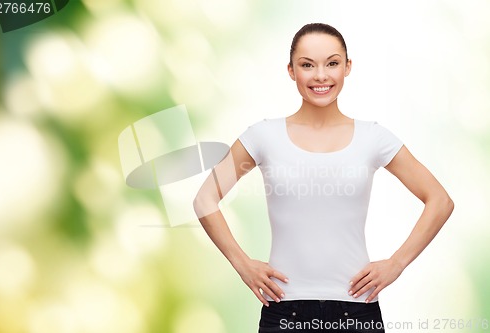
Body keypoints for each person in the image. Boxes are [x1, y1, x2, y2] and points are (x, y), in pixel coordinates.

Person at [193, 23, 454, 333]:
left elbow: (440, 201)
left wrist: (396, 263)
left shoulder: (373, 137)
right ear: (291, 70)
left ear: (347, 67)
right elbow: (205, 198)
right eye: (307, 65)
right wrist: (242, 264)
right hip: (283, 311)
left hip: (357, 311)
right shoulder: (263, 136)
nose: (320, 76)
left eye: (332, 63)